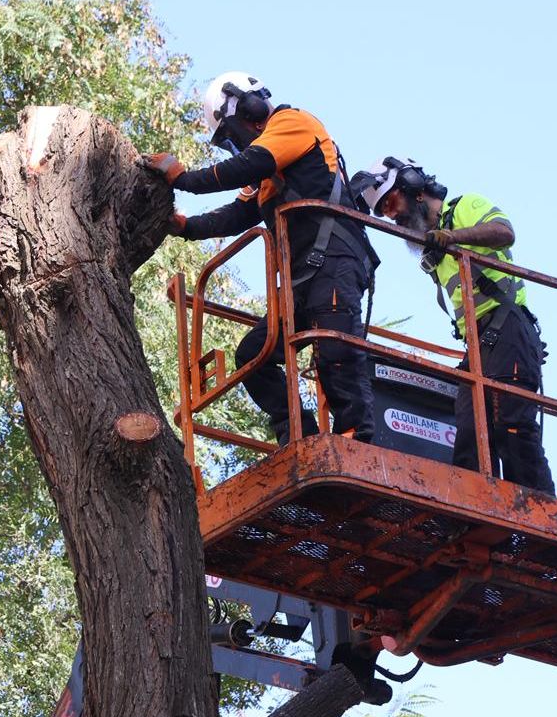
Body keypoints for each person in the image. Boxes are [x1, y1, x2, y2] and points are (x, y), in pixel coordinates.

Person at [142, 72, 379, 447]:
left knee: (335, 350)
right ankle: (301, 435)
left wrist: (183, 178)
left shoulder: (292, 124)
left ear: (248, 107)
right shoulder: (268, 172)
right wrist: (184, 226)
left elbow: (245, 166)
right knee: (255, 354)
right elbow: (236, 215)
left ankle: (358, 440)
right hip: (302, 278)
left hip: (335, 260)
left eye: (231, 134)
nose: (235, 144)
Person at [360, 157, 555, 494]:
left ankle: (545, 517)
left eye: (391, 203)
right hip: (480, 344)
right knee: (469, 435)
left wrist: (452, 236)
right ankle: (475, 514)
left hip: (508, 329)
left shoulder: (466, 206)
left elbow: (504, 232)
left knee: (512, 426)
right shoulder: (433, 248)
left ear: (414, 189)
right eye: (385, 212)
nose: (393, 216)